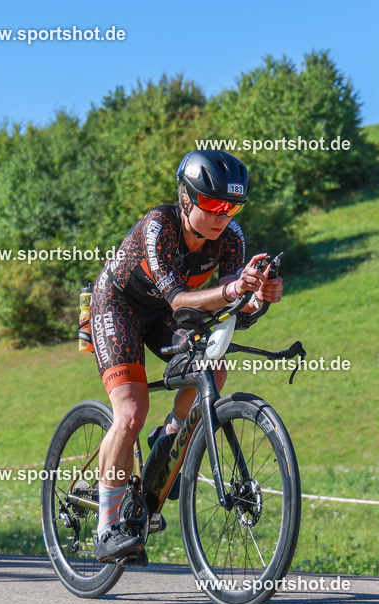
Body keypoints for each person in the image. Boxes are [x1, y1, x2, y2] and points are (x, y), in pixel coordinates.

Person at [89, 149, 284, 562]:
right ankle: (107, 527)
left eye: (231, 206)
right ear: (185, 198)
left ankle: (170, 435)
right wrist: (235, 290)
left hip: (165, 312)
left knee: (213, 371)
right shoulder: (158, 226)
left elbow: (233, 305)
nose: (223, 215)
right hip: (118, 307)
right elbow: (181, 300)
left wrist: (260, 296)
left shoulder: (230, 237)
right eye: (213, 204)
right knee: (130, 412)